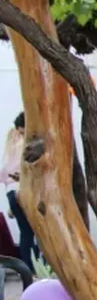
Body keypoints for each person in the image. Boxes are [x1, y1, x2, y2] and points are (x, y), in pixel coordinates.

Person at [0, 113, 39, 266]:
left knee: (26, 232)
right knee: (36, 232)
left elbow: (3, 173)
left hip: (11, 192)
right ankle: (36, 267)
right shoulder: (27, 143)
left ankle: (27, 269)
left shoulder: (10, 143)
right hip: (25, 190)